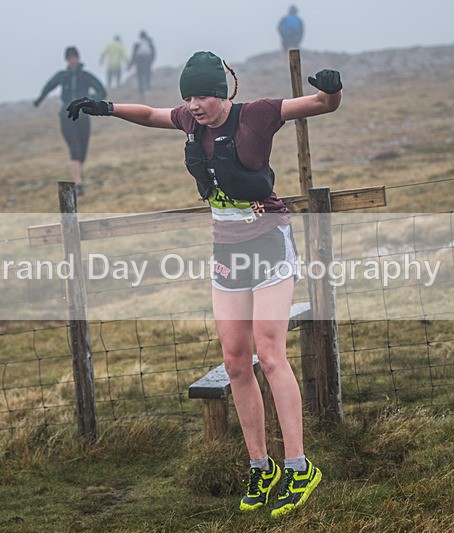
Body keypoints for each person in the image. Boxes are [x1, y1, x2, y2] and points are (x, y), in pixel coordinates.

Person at [66, 51, 342, 517]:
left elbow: (318, 105)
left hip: (270, 243)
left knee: (271, 355)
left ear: (223, 93)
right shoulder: (188, 122)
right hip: (226, 253)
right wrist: (107, 108)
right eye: (187, 97)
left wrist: (332, 90)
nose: (193, 105)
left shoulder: (256, 115)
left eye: (201, 96)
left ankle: (299, 466)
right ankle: (262, 466)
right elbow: (152, 115)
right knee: (236, 363)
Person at [33, 46, 107, 196]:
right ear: (66, 60)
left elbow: (102, 90)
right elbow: (49, 87)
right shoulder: (63, 76)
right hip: (66, 117)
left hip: (83, 117)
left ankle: (78, 176)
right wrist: (39, 100)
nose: (72, 60)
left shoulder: (85, 76)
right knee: (75, 150)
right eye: (69, 58)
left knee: (82, 152)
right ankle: (78, 184)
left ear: (78, 58)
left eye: (74, 57)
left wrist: (91, 102)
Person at [127, 30, 156, 99]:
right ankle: (147, 87)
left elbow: (133, 55)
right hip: (147, 62)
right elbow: (154, 54)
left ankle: (141, 91)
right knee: (147, 75)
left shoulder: (137, 44)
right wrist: (150, 62)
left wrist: (130, 64)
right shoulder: (149, 43)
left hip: (139, 62)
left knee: (140, 77)